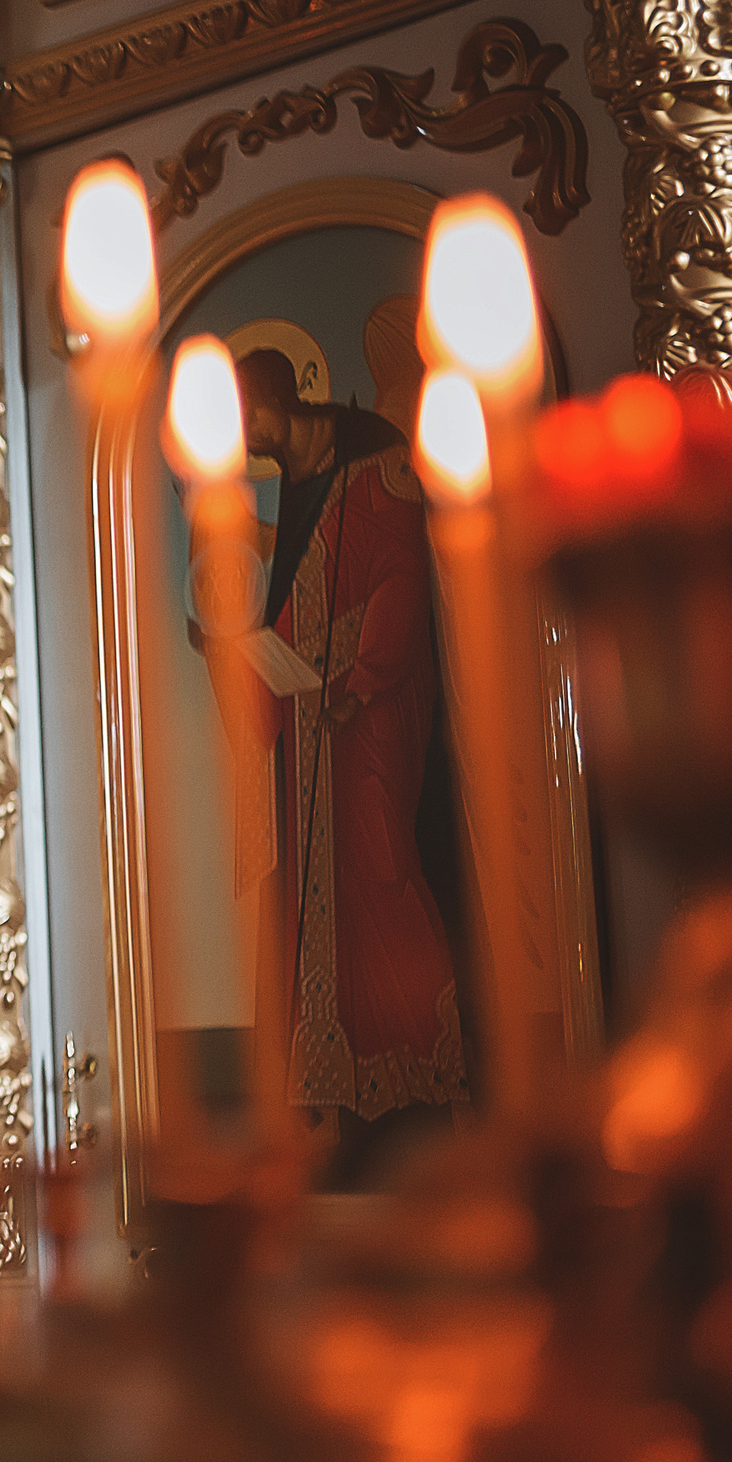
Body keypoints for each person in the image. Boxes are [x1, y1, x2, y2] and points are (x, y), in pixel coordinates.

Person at [220, 346, 466, 1131]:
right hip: (311, 722)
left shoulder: (378, 465)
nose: (240, 431)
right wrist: (245, 654)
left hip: (371, 713)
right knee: (314, 886)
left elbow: (401, 578)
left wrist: (360, 678)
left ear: (272, 400)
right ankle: (333, 1069)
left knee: (382, 859)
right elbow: (295, 598)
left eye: (244, 412)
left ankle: (421, 1058)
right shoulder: (299, 483)